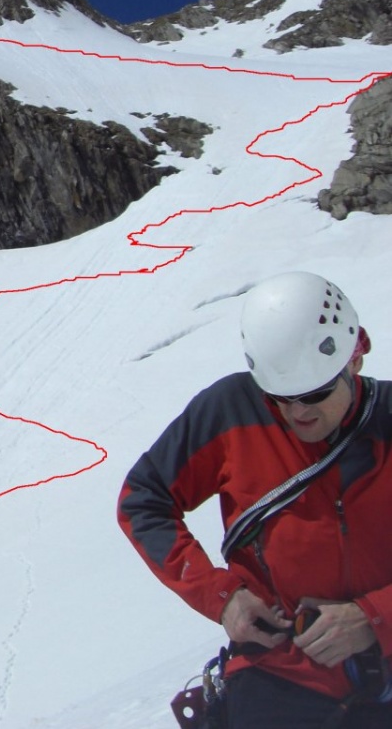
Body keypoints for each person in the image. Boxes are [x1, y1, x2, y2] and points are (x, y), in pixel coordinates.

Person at [118, 272, 392, 728]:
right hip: (281, 671)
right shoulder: (231, 410)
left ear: (354, 360)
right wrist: (223, 599)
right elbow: (143, 498)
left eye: (316, 394)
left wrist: (373, 618)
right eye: (280, 398)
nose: (298, 413)